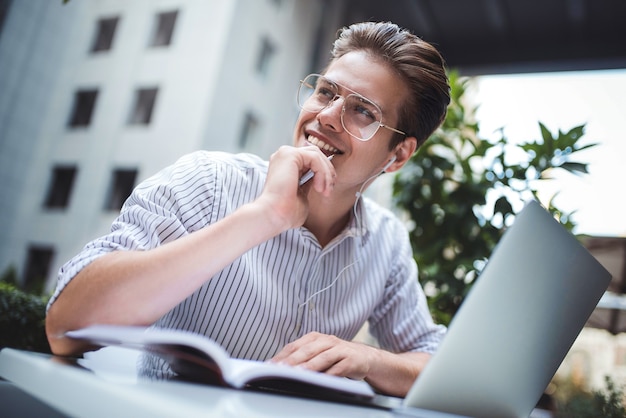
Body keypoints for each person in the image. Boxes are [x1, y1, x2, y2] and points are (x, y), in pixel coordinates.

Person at [45, 21, 450, 397]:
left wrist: (370, 359)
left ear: (398, 156)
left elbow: (436, 363)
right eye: (326, 92)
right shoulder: (208, 180)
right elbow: (65, 324)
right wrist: (264, 217)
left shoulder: (386, 241)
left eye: (362, 111)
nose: (325, 116)